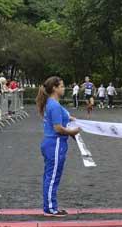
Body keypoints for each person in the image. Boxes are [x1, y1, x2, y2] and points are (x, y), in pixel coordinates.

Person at [36, 76, 80, 217]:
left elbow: (67, 118)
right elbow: (58, 128)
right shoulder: (54, 105)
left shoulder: (54, 103)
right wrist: (73, 132)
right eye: (61, 86)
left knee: (51, 176)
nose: (63, 88)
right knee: (52, 176)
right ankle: (50, 208)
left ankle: (50, 206)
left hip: (55, 144)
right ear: (54, 88)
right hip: (54, 144)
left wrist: (76, 122)